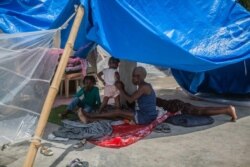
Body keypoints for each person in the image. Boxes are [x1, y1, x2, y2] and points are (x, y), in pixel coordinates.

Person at [77, 66, 158, 125]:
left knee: (118, 112)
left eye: (133, 76)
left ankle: (90, 115)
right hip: (142, 114)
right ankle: (90, 119)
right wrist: (122, 89)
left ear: (138, 77)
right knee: (117, 116)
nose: (132, 78)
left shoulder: (144, 87)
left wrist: (121, 89)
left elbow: (130, 100)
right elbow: (131, 97)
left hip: (146, 117)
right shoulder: (142, 86)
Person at [156, 98, 237, 122]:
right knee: (200, 110)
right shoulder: (147, 88)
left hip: (174, 106)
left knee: (200, 111)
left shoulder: (145, 89)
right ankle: (226, 110)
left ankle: (227, 110)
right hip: (173, 103)